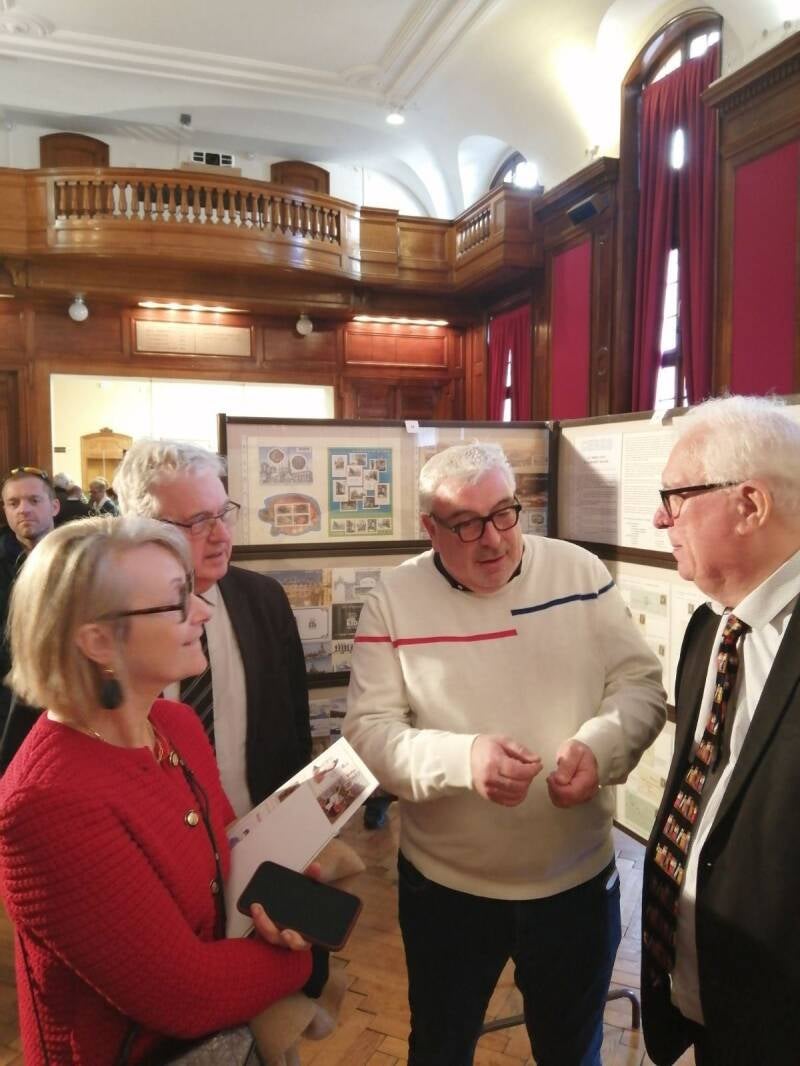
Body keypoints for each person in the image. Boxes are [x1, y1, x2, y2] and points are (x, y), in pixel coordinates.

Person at [344, 442, 666, 1066]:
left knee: (572, 1051)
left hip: (575, 880)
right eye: (465, 524)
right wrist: (464, 761)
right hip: (446, 889)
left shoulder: (579, 571)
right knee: (439, 1046)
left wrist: (603, 748)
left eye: (504, 514)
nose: (491, 539)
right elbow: (369, 732)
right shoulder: (395, 595)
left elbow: (639, 685)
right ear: (429, 529)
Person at [0, 516, 316, 1064]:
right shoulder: (44, 803)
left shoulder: (174, 724)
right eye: (177, 603)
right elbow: (185, 996)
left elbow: (225, 851)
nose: (204, 611)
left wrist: (281, 884)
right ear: (97, 639)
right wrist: (298, 958)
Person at [642, 395, 800, 1066]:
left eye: (676, 498)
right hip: (707, 993)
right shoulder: (713, 627)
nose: (659, 518)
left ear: (750, 505)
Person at [114, 440, 310, 814]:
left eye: (224, 514)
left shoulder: (264, 599)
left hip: (259, 827)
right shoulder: (106, 618)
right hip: (152, 842)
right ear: (141, 527)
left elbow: (294, 722)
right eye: (199, 522)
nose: (221, 535)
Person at [0, 467, 59, 743]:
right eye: (13, 503)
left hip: (68, 696)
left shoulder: (83, 557)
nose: (23, 509)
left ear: (54, 506)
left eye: (34, 501)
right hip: (8, 700)